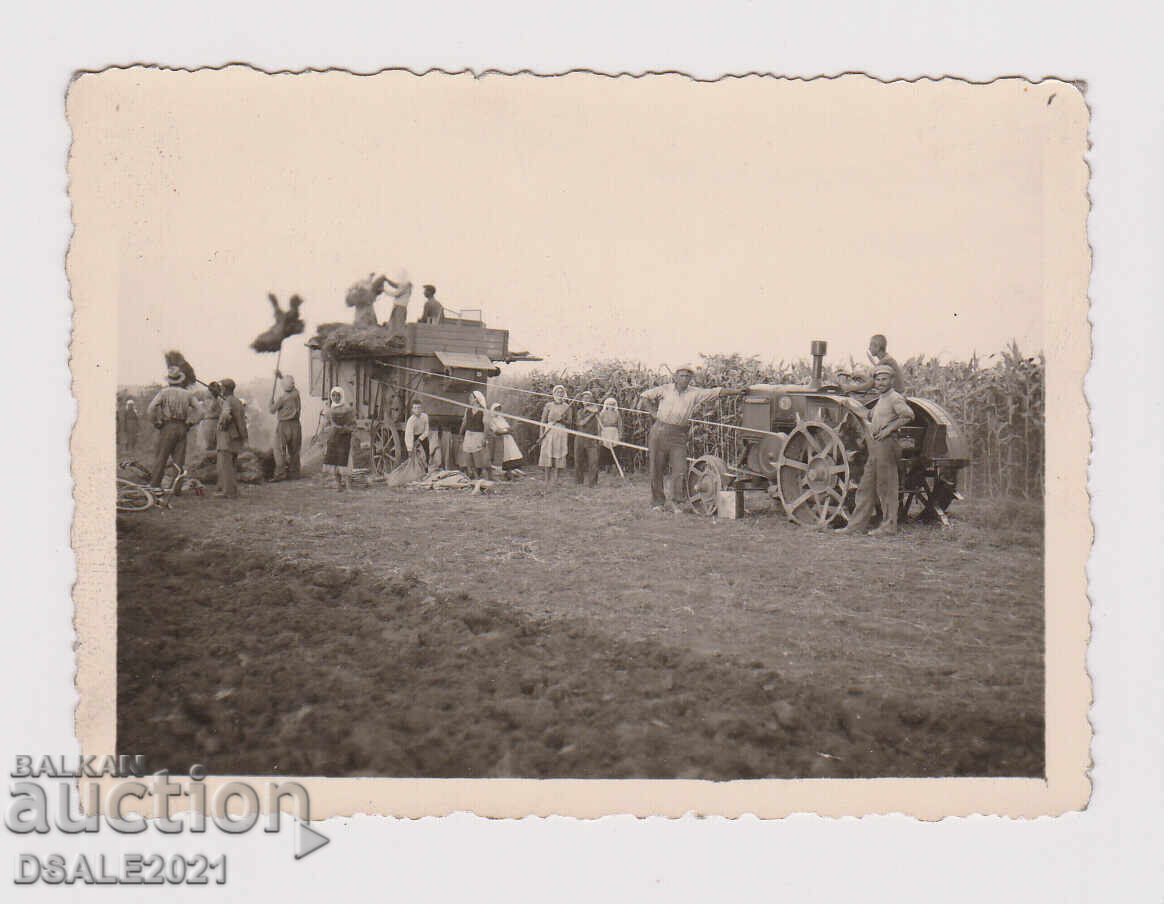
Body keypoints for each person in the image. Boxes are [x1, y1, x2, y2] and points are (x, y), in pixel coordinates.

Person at [638, 364, 743, 511]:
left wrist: (737, 391)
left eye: (688, 376)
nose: (684, 378)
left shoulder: (694, 393)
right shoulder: (665, 389)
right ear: (675, 377)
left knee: (680, 470)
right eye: (681, 375)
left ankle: (677, 503)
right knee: (656, 468)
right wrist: (653, 413)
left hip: (679, 434)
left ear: (691, 379)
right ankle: (657, 503)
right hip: (659, 431)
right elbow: (644, 396)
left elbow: (715, 392)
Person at [838, 364, 915, 536]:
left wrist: (888, 430)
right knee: (866, 486)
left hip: (887, 445)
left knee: (886, 487)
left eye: (884, 379)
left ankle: (889, 526)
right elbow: (868, 415)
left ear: (892, 380)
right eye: (878, 380)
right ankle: (855, 526)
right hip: (876, 447)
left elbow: (908, 415)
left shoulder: (894, 398)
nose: (880, 383)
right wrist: (850, 405)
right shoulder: (882, 399)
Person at [145, 366, 201, 490]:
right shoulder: (187, 394)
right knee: (179, 460)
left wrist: (156, 422)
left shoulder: (163, 393)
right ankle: (176, 488)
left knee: (162, 456)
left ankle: (154, 485)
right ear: (181, 380)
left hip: (167, 426)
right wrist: (190, 422)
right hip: (182, 427)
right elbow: (200, 411)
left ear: (169, 380)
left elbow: (151, 408)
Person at [215, 378, 249, 499]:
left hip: (226, 437)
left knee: (225, 465)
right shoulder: (237, 401)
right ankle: (233, 490)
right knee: (232, 464)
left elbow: (225, 415)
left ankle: (228, 492)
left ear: (225, 389)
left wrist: (221, 425)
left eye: (222, 387)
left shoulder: (227, 401)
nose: (221, 389)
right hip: (235, 437)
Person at [269, 371, 303, 481]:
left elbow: (272, 410)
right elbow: (290, 384)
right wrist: (281, 377)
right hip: (296, 425)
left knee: (279, 450)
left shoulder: (282, 398)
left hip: (283, 426)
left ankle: (280, 474)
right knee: (294, 451)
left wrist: (271, 402)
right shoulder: (296, 393)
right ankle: (295, 474)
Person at [537, 385, 572, 488]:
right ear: (554, 393)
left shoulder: (567, 407)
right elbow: (543, 421)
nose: (559, 394)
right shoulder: (548, 405)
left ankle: (556, 480)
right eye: (557, 392)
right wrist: (541, 433)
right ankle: (547, 480)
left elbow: (569, 422)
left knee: (559, 454)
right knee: (547, 453)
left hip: (561, 431)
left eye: (561, 392)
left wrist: (561, 420)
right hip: (549, 431)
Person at [323, 386, 356, 491]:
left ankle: (348, 485)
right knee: (334, 462)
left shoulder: (348, 409)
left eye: (338, 395)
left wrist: (345, 429)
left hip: (344, 438)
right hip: (333, 438)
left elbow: (353, 425)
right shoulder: (329, 411)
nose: (336, 397)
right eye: (333, 395)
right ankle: (338, 485)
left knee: (345, 461)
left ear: (342, 396)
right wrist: (331, 428)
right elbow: (325, 426)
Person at [487, 402, 524, 479]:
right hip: (500, 439)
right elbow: (496, 430)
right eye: (496, 410)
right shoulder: (491, 420)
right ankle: (507, 474)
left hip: (508, 439)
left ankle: (511, 473)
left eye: (499, 410)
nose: (497, 411)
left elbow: (509, 428)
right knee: (505, 457)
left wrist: (507, 430)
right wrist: (506, 430)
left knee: (513, 455)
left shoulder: (501, 418)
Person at [573, 390, 602, 488]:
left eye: (588, 398)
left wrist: (599, 437)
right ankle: (579, 481)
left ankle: (592, 483)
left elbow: (599, 424)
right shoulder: (580, 411)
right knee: (578, 460)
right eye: (584, 398)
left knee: (593, 461)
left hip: (592, 437)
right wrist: (591, 415)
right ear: (581, 400)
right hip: (580, 437)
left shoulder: (596, 410)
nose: (586, 400)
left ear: (592, 399)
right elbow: (581, 423)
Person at [459, 390, 490, 479]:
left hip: (478, 435)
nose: (469, 399)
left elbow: (486, 425)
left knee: (478, 456)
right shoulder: (468, 410)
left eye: (471, 398)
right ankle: (472, 474)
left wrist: (484, 438)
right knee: (468, 455)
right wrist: (460, 433)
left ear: (476, 399)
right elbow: (464, 422)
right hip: (469, 434)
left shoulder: (483, 411)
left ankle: (478, 475)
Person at [597, 396, 624, 472]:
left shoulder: (617, 413)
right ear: (606, 404)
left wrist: (620, 434)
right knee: (605, 449)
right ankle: (606, 467)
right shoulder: (602, 413)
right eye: (609, 404)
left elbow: (620, 425)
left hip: (614, 432)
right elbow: (599, 425)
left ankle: (614, 466)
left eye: (612, 404)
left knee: (615, 449)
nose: (611, 406)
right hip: (605, 432)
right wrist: (599, 436)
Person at [404, 400, 431, 467]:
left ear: (422, 409)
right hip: (413, 437)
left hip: (422, 436)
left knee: (426, 453)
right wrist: (410, 449)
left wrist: (420, 439)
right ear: (412, 410)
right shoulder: (411, 421)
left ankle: (426, 468)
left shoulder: (425, 416)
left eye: (419, 408)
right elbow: (408, 436)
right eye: (415, 408)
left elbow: (427, 430)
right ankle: (414, 469)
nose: (417, 410)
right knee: (414, 456)